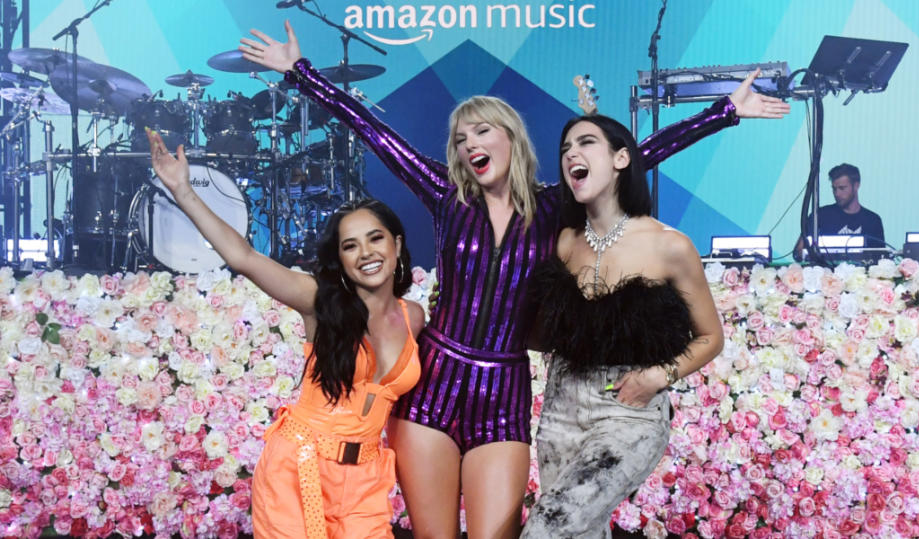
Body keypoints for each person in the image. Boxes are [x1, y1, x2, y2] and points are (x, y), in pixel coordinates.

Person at [239, 21, 789, 538]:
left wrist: (722, 113)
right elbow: (372, 130)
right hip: (434, 385)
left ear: (511, 139)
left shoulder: (553, 209)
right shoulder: (445, 195)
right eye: (459, 138)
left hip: (503, 390)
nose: (469, 143)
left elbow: (638, 157)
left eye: (482, 130)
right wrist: (300, 72)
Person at [146, 129, 425, 538]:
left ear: (396, 246)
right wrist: (183, 190)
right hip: (300, 467)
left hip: (366, 479)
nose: (366, 253)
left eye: (375, 239)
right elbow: (244, 257)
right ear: (341, 259)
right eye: (350, 246)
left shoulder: (413, 316)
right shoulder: (319, 300)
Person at [521, 114, 724, 538]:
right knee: (582, 533)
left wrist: (657, 376)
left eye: (586, 143)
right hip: (562, 408)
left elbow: (710, 337)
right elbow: (545, 337)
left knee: (547, 528)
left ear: (621, 159)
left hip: (627, 410)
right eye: (565, 149)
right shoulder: (563, 243)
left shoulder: (669, 245)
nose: (571, 154)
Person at [793, 163, 885, 259]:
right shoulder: (820, 215)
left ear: (856, 186)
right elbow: (798, 253)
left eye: (842, 188)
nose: (837, 193)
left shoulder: (873, 220)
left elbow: (880, 258)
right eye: (834, 189)